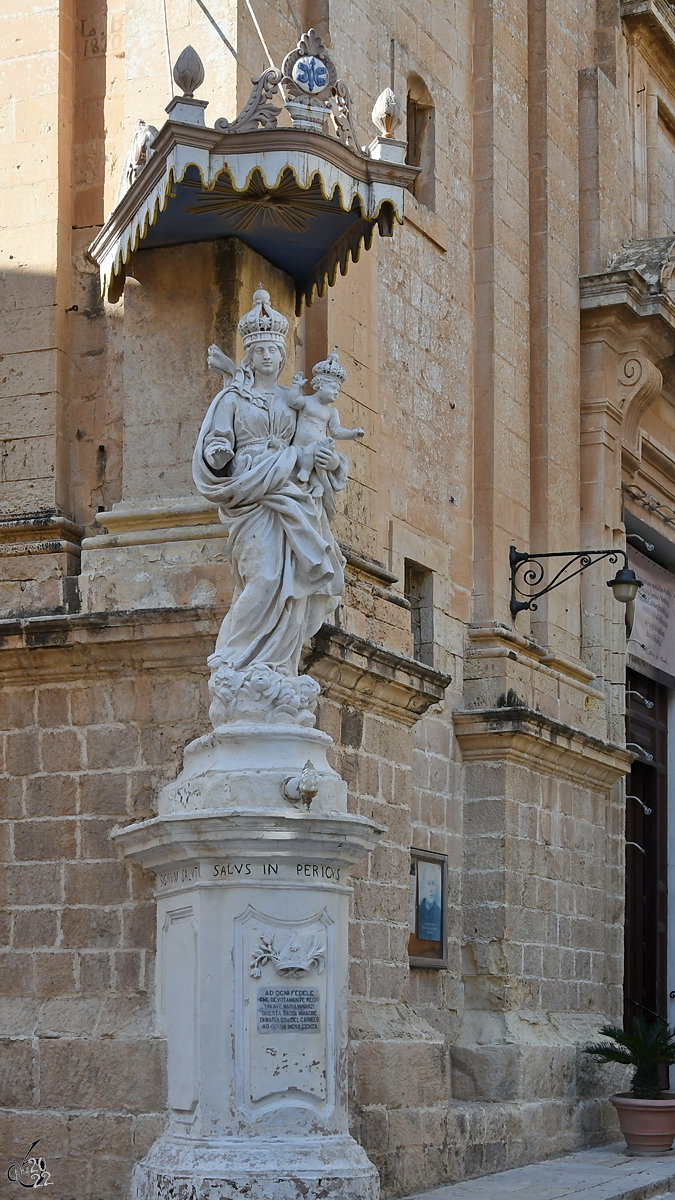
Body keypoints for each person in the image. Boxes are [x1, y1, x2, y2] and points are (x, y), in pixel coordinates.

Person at [192, 288, 348, 684]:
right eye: (259, 350)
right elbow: (217, 439)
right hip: (252, 490)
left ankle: (275, 666)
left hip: (291, 491)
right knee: (262, 577)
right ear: (250, 354)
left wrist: (332, 461)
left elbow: (314, 442)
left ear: (281, 356)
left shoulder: (294, 401)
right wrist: (218, 450)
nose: (267, 357)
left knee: (289, 584)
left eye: (273, 351)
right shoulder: (231, 396)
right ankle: (232, 660)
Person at [285, 350, 364, 486]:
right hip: (298, 446)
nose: (336, 393)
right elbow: (293, 401)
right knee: (307, 459)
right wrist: (295, 386)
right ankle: (307, 476)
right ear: (320, 384)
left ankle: (311, 479)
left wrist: (352, 434)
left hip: (318, 447)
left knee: (318, 458)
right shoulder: (307, 401)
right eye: (333, 388)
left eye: (338, 391)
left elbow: (336, 431)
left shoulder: (332, 411)